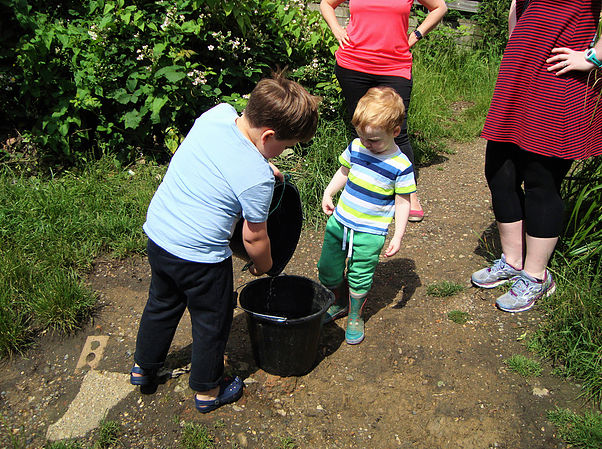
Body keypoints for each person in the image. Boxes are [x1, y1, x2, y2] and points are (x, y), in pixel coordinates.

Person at [129, 72, 319, 412]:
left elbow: (225, 158)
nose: (281, 155)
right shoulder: (257, 179)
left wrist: (262, 167)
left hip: (160, 234)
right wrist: (266, 266)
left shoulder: (216, 115)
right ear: (269, 136)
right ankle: (208, 389)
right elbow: (254, 234)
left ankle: (144, 367)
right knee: (211, 320)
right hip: (200, 257)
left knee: (162, 303)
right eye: (285, 148)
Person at [472, 0, 602, 313]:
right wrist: (518, 49)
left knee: (539, 179)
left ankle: (536, 275)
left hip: (559, 82)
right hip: (518, 77)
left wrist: (594, 57)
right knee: (498, 170)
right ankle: (514, 262)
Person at [320, 0, 447, 223]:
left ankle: (409, 194)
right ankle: (358, 188)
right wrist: (337, 29)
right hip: (353, 64)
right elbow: (326, 4)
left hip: (394, 66)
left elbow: (440, 7)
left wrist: (416, 34)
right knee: (359, 127)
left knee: (400, 130)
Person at [318, 87, 416, 345]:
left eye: (374, 140)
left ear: (395, 131)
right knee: (327, 269)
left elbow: (403, 201)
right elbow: (343, 171)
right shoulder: (357, 147)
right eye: (362, 137)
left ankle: (354, 314)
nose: (367, 144)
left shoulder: (401, 165)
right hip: (340, 221)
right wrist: (329, 192)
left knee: (360, 275)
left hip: (371, 232)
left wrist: (398, 234)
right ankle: (337, 301)